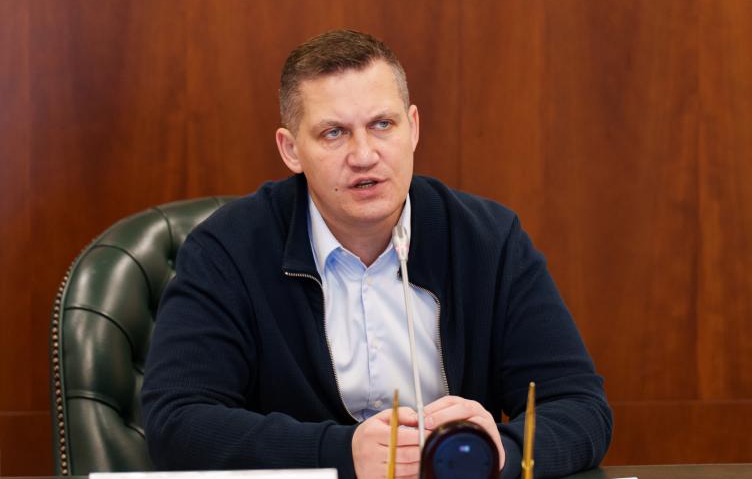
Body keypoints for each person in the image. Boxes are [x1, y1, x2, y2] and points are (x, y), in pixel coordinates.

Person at [142, 29, 612, 479]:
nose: (364, 154)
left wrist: (498, 452)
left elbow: (580, 407)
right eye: (334, 133)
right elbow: (176, 423)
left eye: (382, 125)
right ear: (291, 150)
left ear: (413, 128)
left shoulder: (488, 240)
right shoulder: (227, 249)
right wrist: (341, 455)